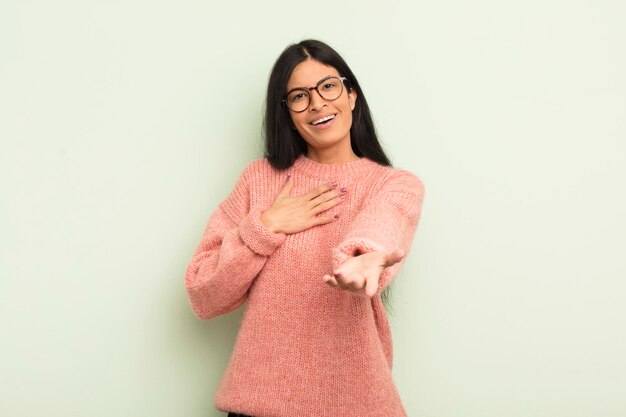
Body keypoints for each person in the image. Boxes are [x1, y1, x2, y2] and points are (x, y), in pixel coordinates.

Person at [184, 39, 425, 417]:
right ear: (287, 112)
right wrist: (265, 226)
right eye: (299, 96)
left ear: (351, 95)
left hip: (354, 405)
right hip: (257, 404)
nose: (317, 103)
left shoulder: (393, 184)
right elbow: (203, 294)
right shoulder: (258, 180)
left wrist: (363, 258)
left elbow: (384, 222)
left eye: (328, 87)